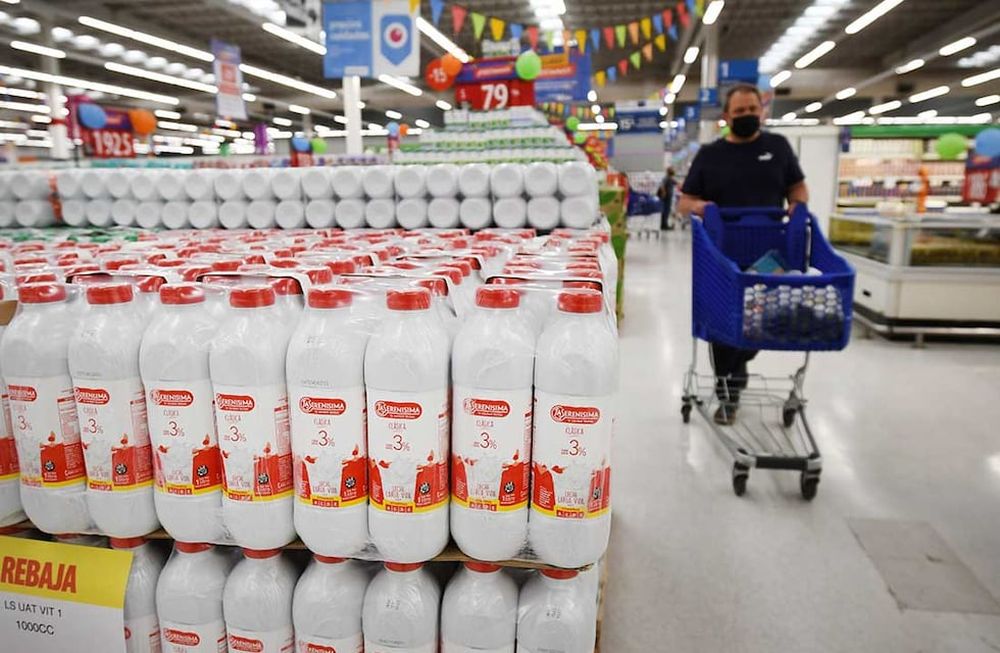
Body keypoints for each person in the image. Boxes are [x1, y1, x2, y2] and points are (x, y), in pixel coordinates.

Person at [677, 84, 809, 425]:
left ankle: (738, 369)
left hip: (770, 257)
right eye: (740, 111)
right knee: (723, 327)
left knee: (759, 324)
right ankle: (728, 395)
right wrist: (702, 207)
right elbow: (684, 202)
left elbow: (797, 187)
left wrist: (798, 206)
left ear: (761, 110)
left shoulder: (777, 147)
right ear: (726, 116)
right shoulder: (710, 155)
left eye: (752, 109)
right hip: (721, 258)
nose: (747, 116)